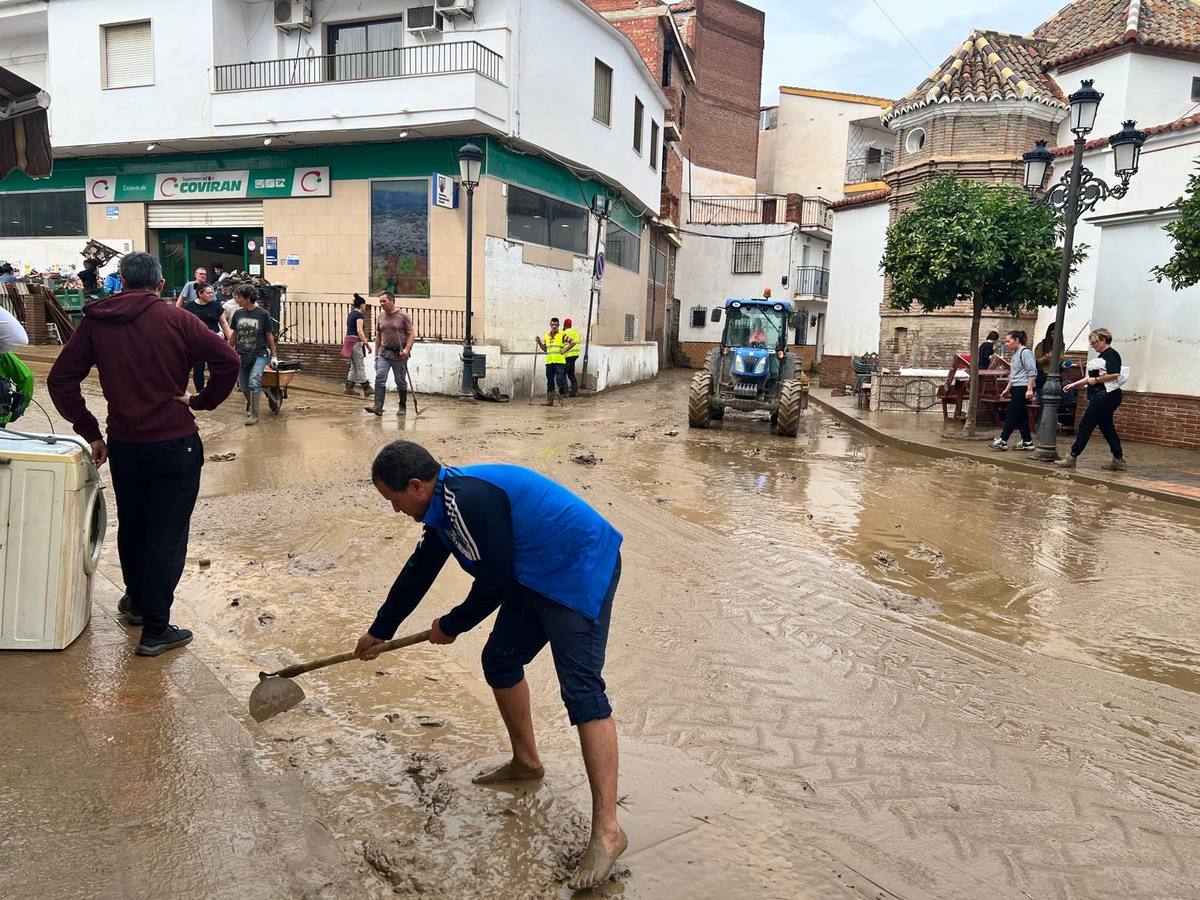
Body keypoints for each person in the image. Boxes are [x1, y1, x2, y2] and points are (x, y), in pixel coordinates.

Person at [355, 441, 626, 890]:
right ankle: (527, 761)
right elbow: (421, 567)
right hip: (534, 572)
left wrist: (452, 624)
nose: (395, 509)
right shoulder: (443, 504)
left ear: (417, 486)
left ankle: (608, 831)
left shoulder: (468, 500)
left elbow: (494, 582)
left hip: (578, 566)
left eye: (394, 499)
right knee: (500, 659)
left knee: (582, 692)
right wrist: (380, 630)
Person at [47, 251, 239, 657]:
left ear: (122, 281)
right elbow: (228, 359)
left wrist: (91, 431)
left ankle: (136, 603)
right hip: (174, 443)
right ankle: (156, 629)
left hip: (124, 445)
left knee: (134, 525)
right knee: (167, 534)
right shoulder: (177, 319)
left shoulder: (97, 322)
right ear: (158, 284)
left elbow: (61, 380)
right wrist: (201, 402)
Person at [1057, 328, 1126, 471]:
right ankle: (1118, 459)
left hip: (1106, 396)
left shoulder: (1111, 355)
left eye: (1094, 342)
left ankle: (1073, 456)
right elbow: (1090, 378)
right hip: (1102, 396)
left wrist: (1097, 379)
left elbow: (1114, 374)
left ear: (1103, 340)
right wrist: (1074, 385)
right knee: (1107, 428)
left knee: (1086, 424)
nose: (1093, 345)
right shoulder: (1102, 356)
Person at [228, 283, 278, 426]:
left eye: (239, 297)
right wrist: (227, 350)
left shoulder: (263, 315)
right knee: (244, 386)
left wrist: (274, 355)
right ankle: (252, 403)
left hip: (260, 354)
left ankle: (254, 415)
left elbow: (269, 335)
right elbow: (234, 334)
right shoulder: (238, 314)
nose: (237, 300)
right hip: (243, 354)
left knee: (254, 381)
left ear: (248, 298)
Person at [365, 291, 414, 417]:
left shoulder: (403, 315)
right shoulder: (380, 317)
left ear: (391, 301)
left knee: (400, 382)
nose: (381, 303)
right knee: (380, 377)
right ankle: (378, 407)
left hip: (399, 354)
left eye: (384, 301)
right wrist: (376, 355)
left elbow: (411, 334)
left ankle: (402, 406)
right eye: (380, 301)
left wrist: (407, 350)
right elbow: (378, 336)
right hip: (384, 353)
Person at [991, 330, 1036, 451]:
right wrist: (1007, 389)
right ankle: (1027, 441)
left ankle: (1003, 440)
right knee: (1022, 415)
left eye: (1008, 341)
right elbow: (1014, 374)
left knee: (1012, 413)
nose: (1006, 344)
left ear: (1016, 340)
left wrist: (1030, 389)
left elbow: (1032, 371)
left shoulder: (1025, 353)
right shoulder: (1015, 354)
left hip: (1023, 387)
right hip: (1016, 386)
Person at [183, 283, 233, 392]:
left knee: (214, 368)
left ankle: (212, 391)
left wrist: (230, 340)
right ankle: (200, 392)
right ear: (200, 294)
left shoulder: (215, 306)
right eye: (208, 293)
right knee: (198, 368)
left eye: (212, 293)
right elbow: (185, 325)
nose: (211, 295)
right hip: (197, 343)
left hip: (214, 341)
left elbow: (223, 322)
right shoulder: (189, 307)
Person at [536, 317, 573, 406]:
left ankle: (561, 399)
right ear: (550, 325)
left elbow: (573, 342)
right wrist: (539, 342)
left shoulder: (562, 334)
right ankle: (550, 401)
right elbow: (545, 349)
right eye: (552, 324)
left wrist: (565, 350)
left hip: (560, 362)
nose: (554, 326)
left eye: (556, 325)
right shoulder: (547, 335)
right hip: (549, 362)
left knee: (560, 380)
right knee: (550, 381)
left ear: (558, 325)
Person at [1033, 322, 1056, 396]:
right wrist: (1046, 357)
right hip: (1044, 375)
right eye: (1052, 334)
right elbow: (1037, 361)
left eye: (1057, 334)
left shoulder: (1061, 345)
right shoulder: (1041, 345)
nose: (1054, 336)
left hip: (1056, 375)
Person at [562, 317, 582, 397]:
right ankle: (574, 392)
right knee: (570, 373)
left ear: (564, 325)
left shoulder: (564, 333)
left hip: (567, 356)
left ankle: (565, 392)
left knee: (563, 374)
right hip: (575, 356)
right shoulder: (575, 333)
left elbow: (562, 344)